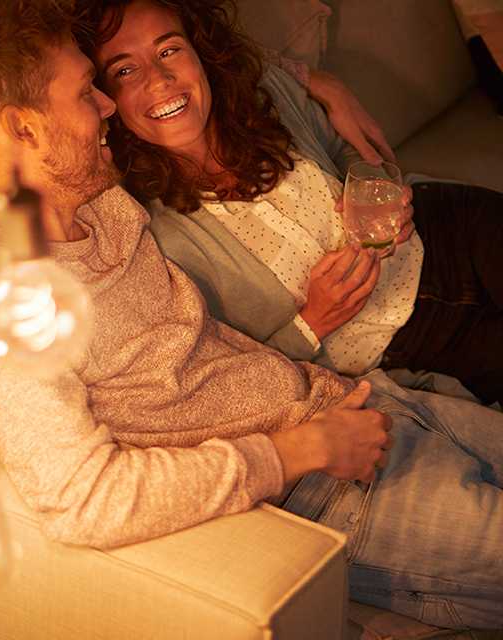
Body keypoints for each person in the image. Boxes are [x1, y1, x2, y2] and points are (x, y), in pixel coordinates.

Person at [0, 0, 503, 628]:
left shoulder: (90, 202)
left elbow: (191, 70)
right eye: (90, 91)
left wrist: (315, 82)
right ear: (24, 131)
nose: (111, 106)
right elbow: (81, 500)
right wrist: (296, 451)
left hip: (365, 403)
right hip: (323, 485)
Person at [76, 0, 503, 405]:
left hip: (444, 230)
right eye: (126, 70)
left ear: (199, 52)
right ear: (103, 100)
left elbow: (349, 150)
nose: (159, 79)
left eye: (169, 49)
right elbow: (222, 379)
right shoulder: (151, 236)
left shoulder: (261, 93)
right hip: (405, 343)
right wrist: (312, 322)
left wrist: (377, 193)